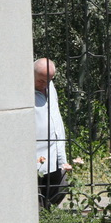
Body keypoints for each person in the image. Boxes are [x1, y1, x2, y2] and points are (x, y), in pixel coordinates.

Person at [35, 58, 69, 209]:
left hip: (55, 149)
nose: (45, 84)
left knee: (61, 185)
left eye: (48, 80)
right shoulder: (22, 90)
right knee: (36, 196)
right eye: (41, 80)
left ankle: (46, 217)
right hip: (37, 153)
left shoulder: (50, 86)